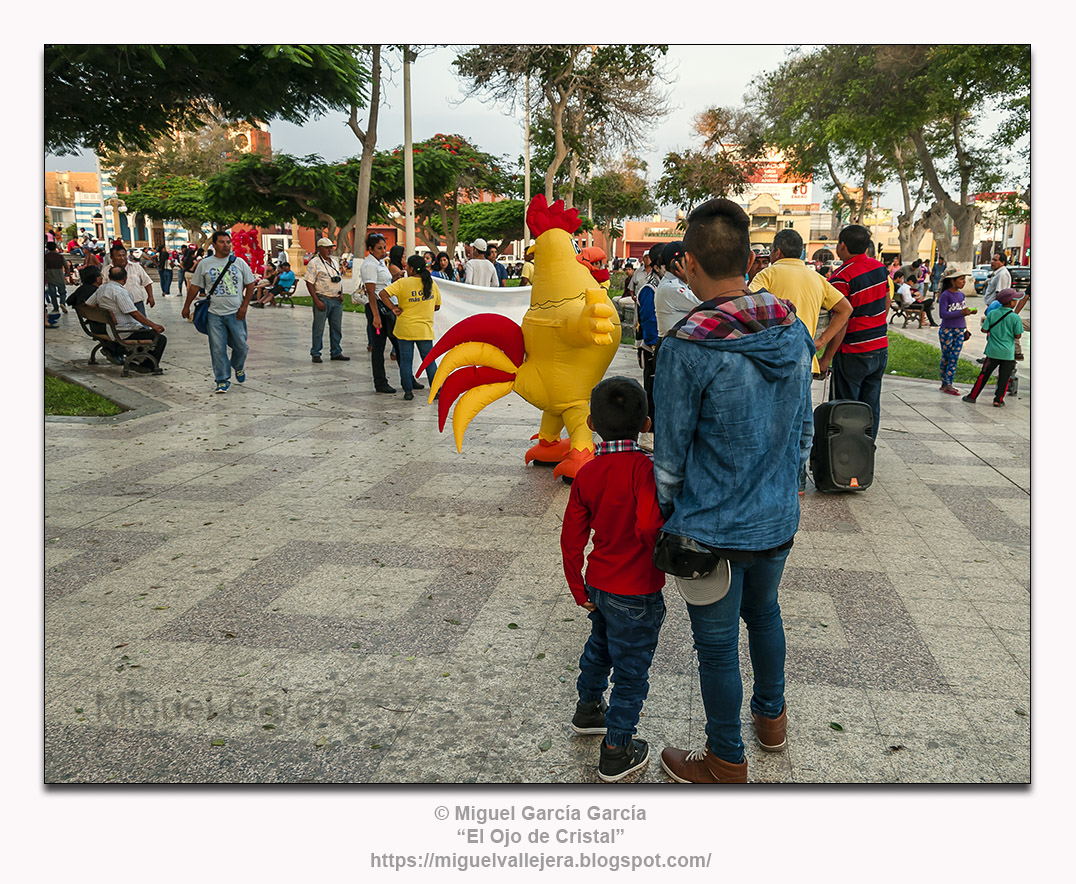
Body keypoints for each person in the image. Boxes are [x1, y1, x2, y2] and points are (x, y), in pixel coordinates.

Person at [652, 198, 814, 784]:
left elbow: (669, 450)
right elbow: (804, 427)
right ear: (750, 258)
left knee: (717, 648)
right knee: (765, 616)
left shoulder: (688, 344)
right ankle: (771, 721)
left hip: (709, 527)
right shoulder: (793, 329)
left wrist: (669, 512)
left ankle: (725, 759)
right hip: (776, 517)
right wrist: (786, 488)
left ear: (689, 264)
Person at [560, 376, 666, 782]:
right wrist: (659, 554)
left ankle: (588, 710)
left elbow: (571, 536)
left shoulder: (587, 473)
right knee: (632, 673)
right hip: (637, 589)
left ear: (590, 421)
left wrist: (577, 586)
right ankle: (617, 749)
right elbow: (647, 525)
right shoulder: (646, 469)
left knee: (600, 646)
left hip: (599, 583)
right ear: (646, 424)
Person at [749, 228, 852, 494]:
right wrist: (820, 342)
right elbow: (845, 309)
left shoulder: (767, 274)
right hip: (804, 359)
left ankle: (771, 478)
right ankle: (797, 480)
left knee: (771, 420)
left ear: (777, 251)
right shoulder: (816, 278)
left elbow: (745, 307)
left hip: (770, 360)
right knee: (802, 419)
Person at [824, 224, 889, 441]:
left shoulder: (841, 277)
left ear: (842, 246)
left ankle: (847, 457)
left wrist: (826, 357)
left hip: (852, 351)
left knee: (846, 409)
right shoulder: (880, 268)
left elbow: (840, 320)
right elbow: (886, 303)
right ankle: (867, 450)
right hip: (879, 348)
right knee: (871, 407)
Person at [182, 230, 255, 393]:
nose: (226, 245)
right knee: (217, 347)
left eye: (228, 242)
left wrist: (244, 306)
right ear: (214, 245)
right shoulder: (205, 264)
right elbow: (195, 286)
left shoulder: (239, 262)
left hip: (236, 312)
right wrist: (186, 306)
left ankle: (237, 365)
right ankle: (222, 379)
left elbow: (250, 284)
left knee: (241, 346)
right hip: (214, 313)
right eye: (222, 242)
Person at [379, 254, 443, 400]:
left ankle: (408, 392)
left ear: (412, 269)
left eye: (407, 266)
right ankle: (437, 390)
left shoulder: (403, 283)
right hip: (424, 330)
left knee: (406, 361)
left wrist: (393, 308)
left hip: (405, 328)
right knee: (429, 361)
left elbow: (382, 294)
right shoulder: (431, 284)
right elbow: (437, 306)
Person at [88, 265, 167, 373]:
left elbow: (89, 304)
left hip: (111, 329)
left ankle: (125, 354)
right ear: (125, 278)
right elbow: (134, 313)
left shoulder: (102, 288)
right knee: (160, 338)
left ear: (109, 277)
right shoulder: (119, 292)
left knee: (145, 332)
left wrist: (104, 310)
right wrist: (153, 325)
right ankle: (147, 365)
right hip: (124, 330)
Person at [963, 288, 1023, 407]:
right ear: (1010, 302)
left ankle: (972, 396)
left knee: (984, 375)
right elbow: (1018, 335)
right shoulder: (1015, 317)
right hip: (1008, 353)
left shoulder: (992, 313)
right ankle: (998, 400)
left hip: (992, 351)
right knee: (1004, 377)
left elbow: (984, 329)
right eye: (1015, 299)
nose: (1016, 301)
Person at [360, 232, 398, 393]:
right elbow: (371, 291)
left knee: (398, 343)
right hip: (378, 308)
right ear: (370, 249)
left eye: (384, 248)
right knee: (379, 345)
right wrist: (376, 316)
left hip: (388, 307)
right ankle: (380, 381)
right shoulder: (369, 265)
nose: (383, 251)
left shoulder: (380, 262)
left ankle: (408, 378)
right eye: (379, 248)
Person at [303, 236, 350, 364]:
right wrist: (317, 301)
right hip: (322, 298)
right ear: (320, 249)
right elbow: (309, 282)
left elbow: (338, 278)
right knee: (319, 328)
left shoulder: (334, 261)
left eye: (331, 247)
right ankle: (316, 353)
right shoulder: (314, 263)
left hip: (336, 300)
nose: (330, 250)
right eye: (327, 248)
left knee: (336, 328)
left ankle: (336, 352)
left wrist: (341, 293)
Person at [635, 243, 663, 452]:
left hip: (662, 347)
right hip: (653, 349)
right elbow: (649, 321)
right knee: (652, 393)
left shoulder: (663, 284)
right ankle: (648, 436)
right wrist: (655, 346)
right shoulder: (649, 287)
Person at [936, 266, 975, 395]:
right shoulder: (945, 295)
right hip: (947, 330)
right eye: (961, 279)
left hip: (959, 330)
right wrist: (960, 312)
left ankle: (949, 382)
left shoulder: (961, 295)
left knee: (954, 357)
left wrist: (966, 320)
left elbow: (961, 313)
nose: (963, 282)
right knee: (947, 357)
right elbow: (943, 314)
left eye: (964, 279)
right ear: (952, 281)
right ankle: (945, 383)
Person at [653, 241, 701, 336]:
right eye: (687, 261)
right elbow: (705, 303)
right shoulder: (671, 288)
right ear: (675, 264)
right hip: (673, 345)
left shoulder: (675, 285)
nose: (692, 266)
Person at [109, 244, 155, 316]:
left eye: (124, 255)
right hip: (117, 306)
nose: (122, 258)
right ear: (112, 257)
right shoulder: (106, 271)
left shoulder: (136, 267)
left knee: (143, 325)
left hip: (137, 304)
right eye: (118, 256)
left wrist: (150, 296)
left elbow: (147, 282)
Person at [45, 242, 69, 314]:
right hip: (59, 276)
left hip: (50, 276)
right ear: (55, 247)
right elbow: (66, 266)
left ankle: (56, 308)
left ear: (47, 248)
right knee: (62, 292)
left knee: (53, 293)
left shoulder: (45, 257)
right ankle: (62, 303)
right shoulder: (60, 256)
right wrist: (68, 274)